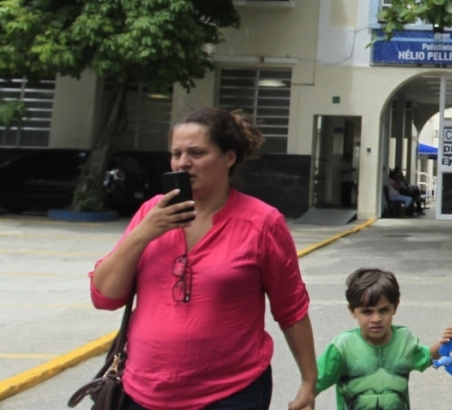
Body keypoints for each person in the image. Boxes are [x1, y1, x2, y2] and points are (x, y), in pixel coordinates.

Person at [90, 107, 317, 410]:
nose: (184, 162)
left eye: (196, 153)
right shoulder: (150, 214)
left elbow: (291, 308)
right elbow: (104, 297)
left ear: (229, 157)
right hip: (141, 391)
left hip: (232, 393)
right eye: (176, 153)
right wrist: (142, 234)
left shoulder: (262, 224)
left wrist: (308, 382)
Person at [316, 268, 452, 410]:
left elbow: (424, 357)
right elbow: (313, 382)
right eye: (367, 312)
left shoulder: (404, 341)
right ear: (352, 310)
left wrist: (442, 346)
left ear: (395, 307)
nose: (376, 319)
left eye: (383, 310)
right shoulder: (343, 347)